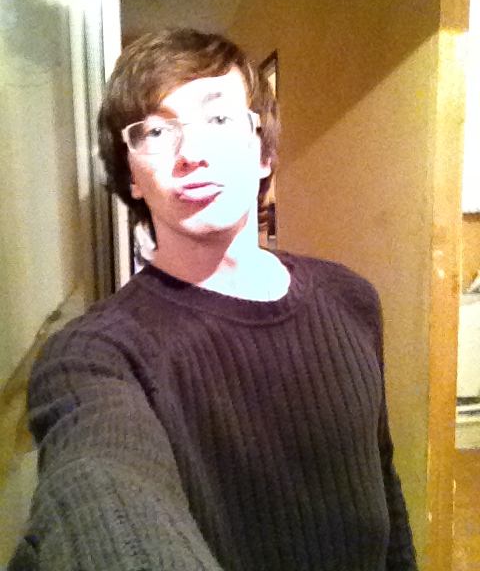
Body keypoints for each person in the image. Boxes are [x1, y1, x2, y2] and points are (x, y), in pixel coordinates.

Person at [9, 29, 417, 570]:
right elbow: (97, 489)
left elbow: (383, 487)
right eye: (156, 131)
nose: (192, 154)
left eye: (219, 119)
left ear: (263, 152)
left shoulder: (352, 298)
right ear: (132, 176)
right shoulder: (93, 356)